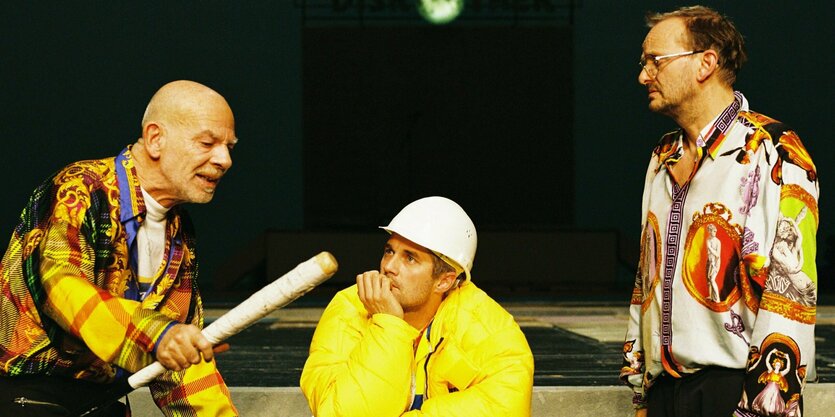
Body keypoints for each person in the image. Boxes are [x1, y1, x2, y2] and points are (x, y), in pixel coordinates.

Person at [620, 6, 819, 417]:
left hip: (731, 391)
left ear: (706, 63)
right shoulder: (663, 156)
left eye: (655, 61)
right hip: (665, 392)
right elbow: (647, 280)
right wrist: (642, 388)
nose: (644, 75)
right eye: (644, 64)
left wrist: (764, 406)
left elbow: (790, 294)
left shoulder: (774, 153)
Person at [0, 80, 239, 416]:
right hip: (25, 395)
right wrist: (160, 336)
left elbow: (182, 359)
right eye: (207, 143)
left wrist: (176, 344)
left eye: (229, 146)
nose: (224, 159)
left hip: (97, 401)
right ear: (156, 138)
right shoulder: (80, 188)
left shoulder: (179, 232)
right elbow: (61, 287)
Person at [300, 196, 534, 416]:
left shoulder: (491, 332)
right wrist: (388, 325)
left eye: (409, 258)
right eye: (389, 251)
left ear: (444, 281)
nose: (389, 266)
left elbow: (504, 409)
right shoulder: (349, 309)